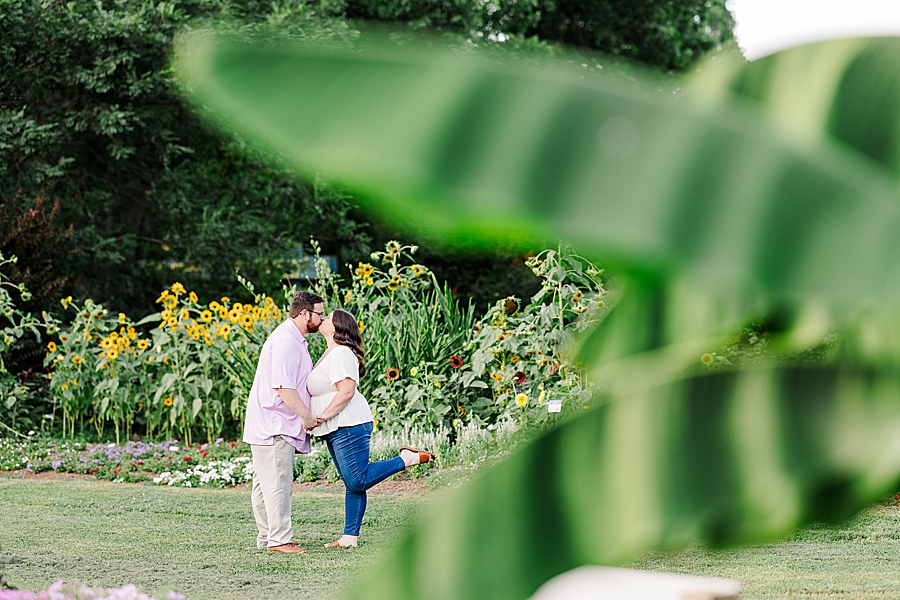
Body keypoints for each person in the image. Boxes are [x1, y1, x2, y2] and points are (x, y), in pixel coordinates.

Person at [309, 308, 434, 548]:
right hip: (337, 424)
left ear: (338, 327)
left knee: (357, 479)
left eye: (328, 317)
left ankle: (406, 459)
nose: (322, 318)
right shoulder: (330, 353)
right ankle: (349, 537)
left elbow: (347, 391)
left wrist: (321, 417)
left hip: (349, 422)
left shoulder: (341, 353)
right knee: (352, 481)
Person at [243, 290, 325, 554]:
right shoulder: (286, 341)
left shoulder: (292, 337)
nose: (322, 319)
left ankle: (268, 536)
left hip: (268, 421)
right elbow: (283, 387)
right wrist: (307, 416)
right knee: (278, 481)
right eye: (319, 314)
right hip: (274, 423)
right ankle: (279, 540)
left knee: (264, 483)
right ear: (304, 313)